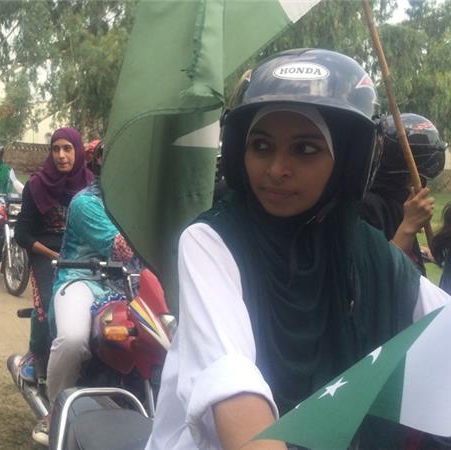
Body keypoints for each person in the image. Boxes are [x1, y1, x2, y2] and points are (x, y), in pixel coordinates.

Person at [146, 49, 449, 450]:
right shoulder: (211, 240)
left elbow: (441, 327)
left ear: (346, 161)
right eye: (262, 146)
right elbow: (230, 378)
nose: (276, 169)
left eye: (304, 149)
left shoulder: (364, 249)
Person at [38, 140, 140, 446]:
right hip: (81, 278)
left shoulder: (138, 202)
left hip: (128, 285)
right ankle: (55, 411)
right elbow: (121, 248)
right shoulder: (86, 203)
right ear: (101, 164)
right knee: (73, 340)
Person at [14, 126, 94, 443]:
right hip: (46, 251)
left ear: (78, 152)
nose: (61, 155)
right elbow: (22, 233)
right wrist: (53, 254)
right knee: (49, 303)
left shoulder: (91, 185)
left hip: (82, 253)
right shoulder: (36, 186)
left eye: (67, 149)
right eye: (56, 149)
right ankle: (36, 353)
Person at [360, 113, 446, 274]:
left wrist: (417, 248)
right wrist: (408, 227)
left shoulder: (400, 205)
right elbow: (375, 280)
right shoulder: (366, 207)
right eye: (422, 177)